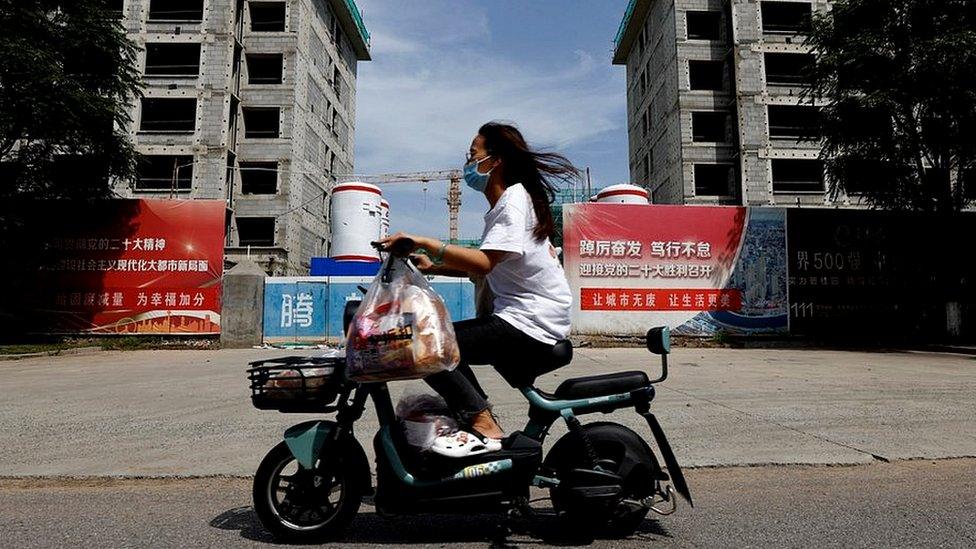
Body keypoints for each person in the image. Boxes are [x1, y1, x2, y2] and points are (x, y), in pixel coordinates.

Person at [376, 121, 576, 455]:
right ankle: (477, 419)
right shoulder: (506, 206)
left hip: (530, 323)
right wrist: (434, 264)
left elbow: (484, 263)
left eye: (473, 153)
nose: (468, 163)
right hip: (526, 318)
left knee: (428, 345)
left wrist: (426, 241)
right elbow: (488, 267)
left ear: (494, 161)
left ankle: (483, 423)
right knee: (438, 343)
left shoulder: (513, 202)